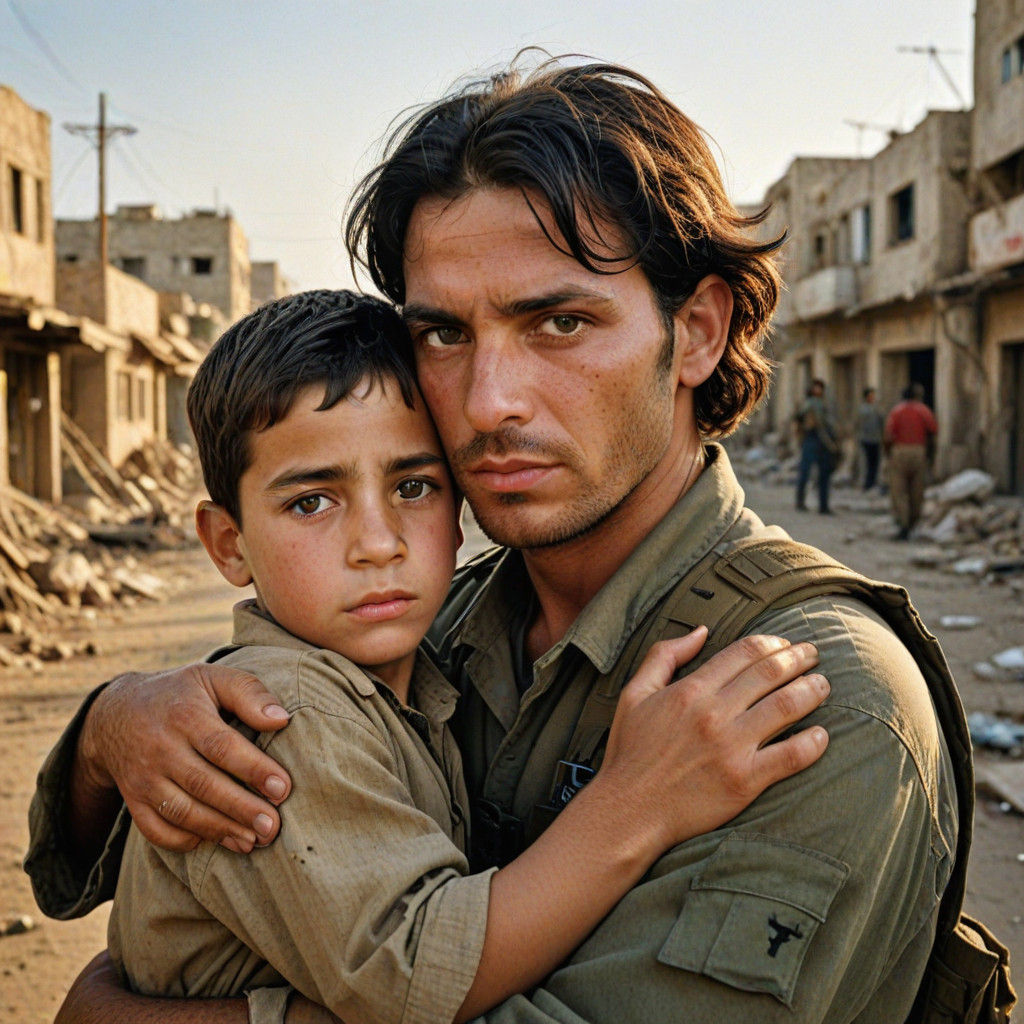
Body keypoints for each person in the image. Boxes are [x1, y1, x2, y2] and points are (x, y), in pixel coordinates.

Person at [29, 57, 959, 1024]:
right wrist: (112, 732)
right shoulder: (434, 627)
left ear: (696, 333)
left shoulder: (814, 699)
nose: (488, 402)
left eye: (558, 321)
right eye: (443, 334)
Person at [105, 287, 829, 1021]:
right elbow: (414, 974)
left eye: (414, 487)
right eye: (311, 502)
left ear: (458, 513)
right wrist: (635, 804)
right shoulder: (290, 712)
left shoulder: (421, 672)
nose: (378, 543)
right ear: (228, 544)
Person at [884, 383, 938, 541]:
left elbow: (888, 436)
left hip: (899, 451)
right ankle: (913, 522)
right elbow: (933, 433)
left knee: (898, 491)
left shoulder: (896, 411)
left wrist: (889, 454)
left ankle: (903, 525)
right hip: (919, 452)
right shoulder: (924, 411)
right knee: (917, 491)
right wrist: (930, 456)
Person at [794, 379, 839, 514]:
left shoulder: (825, 404)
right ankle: (800, 501)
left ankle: (823, 505)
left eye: (820, 388)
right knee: (805, 472)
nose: (818, 390)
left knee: (824, 474)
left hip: (824, 442)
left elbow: (830, 424)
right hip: (811, 439)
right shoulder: (808, 404)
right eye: (816, 388)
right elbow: (799, 418)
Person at [855, 387, 883, 491]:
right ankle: (866, 484)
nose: (873, 398)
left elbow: (881, 421)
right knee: (866, 463)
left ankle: (872, 483)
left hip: (875, 439)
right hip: (866, 439)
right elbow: (858, 423)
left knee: (875, 463)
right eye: (871, 395)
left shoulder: (876, 408)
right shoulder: (863, 409)